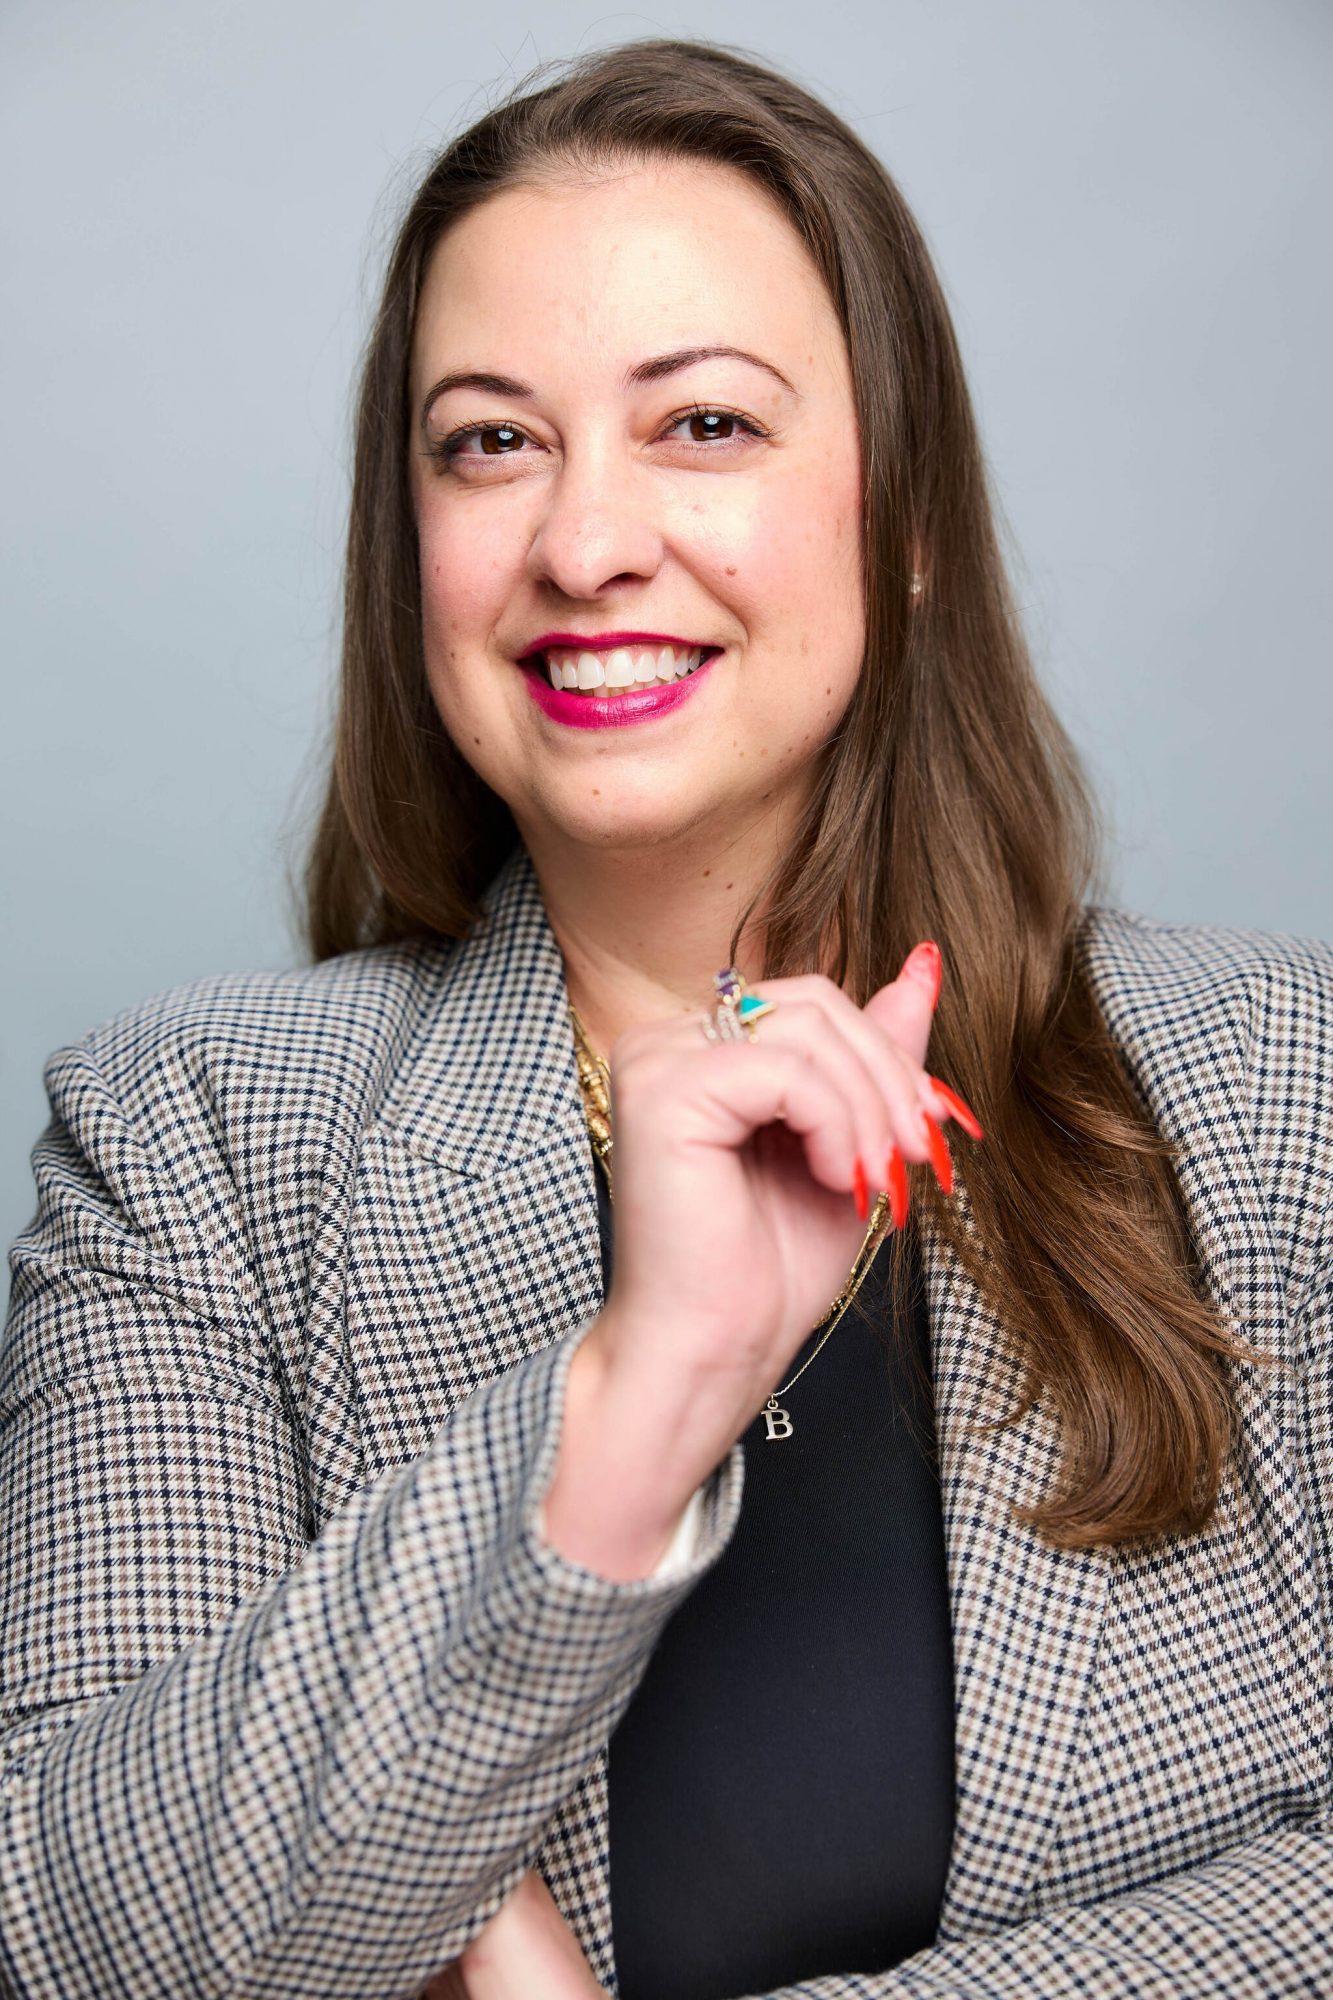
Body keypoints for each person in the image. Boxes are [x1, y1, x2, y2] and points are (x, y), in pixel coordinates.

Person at [2, 35, 1330, 2000]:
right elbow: (70, 1933)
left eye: (702, 424)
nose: (582, 544)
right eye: (489, 443)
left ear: (904, 519)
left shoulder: (1278, 1081)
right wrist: (636, 1402)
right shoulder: (189, 1139)